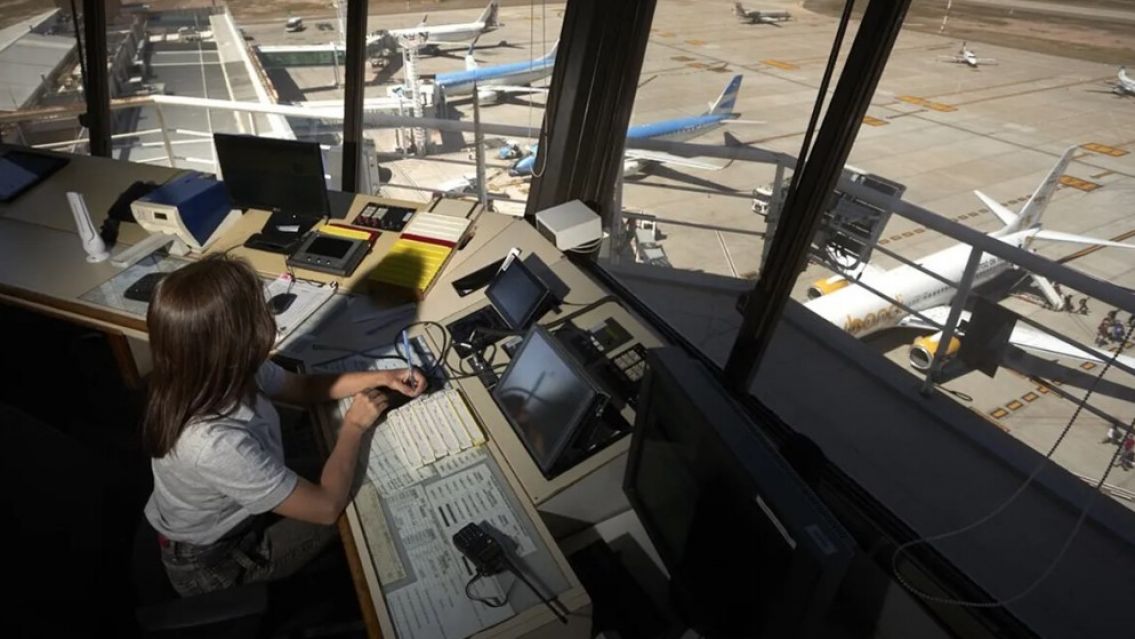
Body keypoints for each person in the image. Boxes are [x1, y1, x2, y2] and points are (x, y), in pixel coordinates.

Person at [143, 255, 426, 597]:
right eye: (261, 311)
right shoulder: (212, 443)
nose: (270, 317)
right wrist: (353, 426)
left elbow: (303, 388)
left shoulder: (217, 369)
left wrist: (384, 376)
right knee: (364, 492)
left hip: (237, 507)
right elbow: (325, 507)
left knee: (345, 464)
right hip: (218, 560)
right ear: (233, 342)